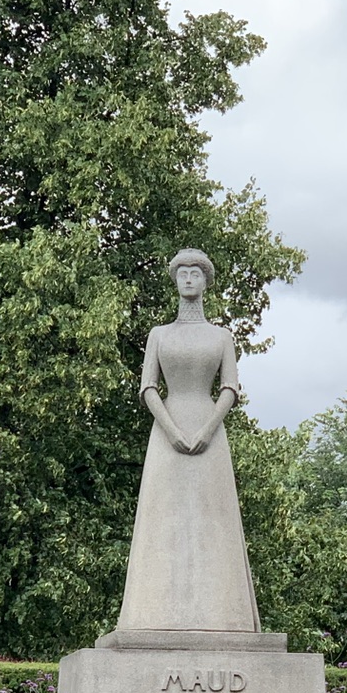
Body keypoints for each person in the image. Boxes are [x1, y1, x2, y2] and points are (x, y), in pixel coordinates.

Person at [114, 249, 262, 633]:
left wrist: (208, 429)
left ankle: (225, 616)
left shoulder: (221, 337)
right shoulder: (158, 335)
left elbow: (230, 387)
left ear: (205, 281)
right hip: (167, 433)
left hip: (209, 430)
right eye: (183, 273)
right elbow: (148, 387)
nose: (189, 279)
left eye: (196, 273)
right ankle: (149, 615)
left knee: (213, 518)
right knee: (162, 516)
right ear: (175, 280)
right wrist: (172, 430)